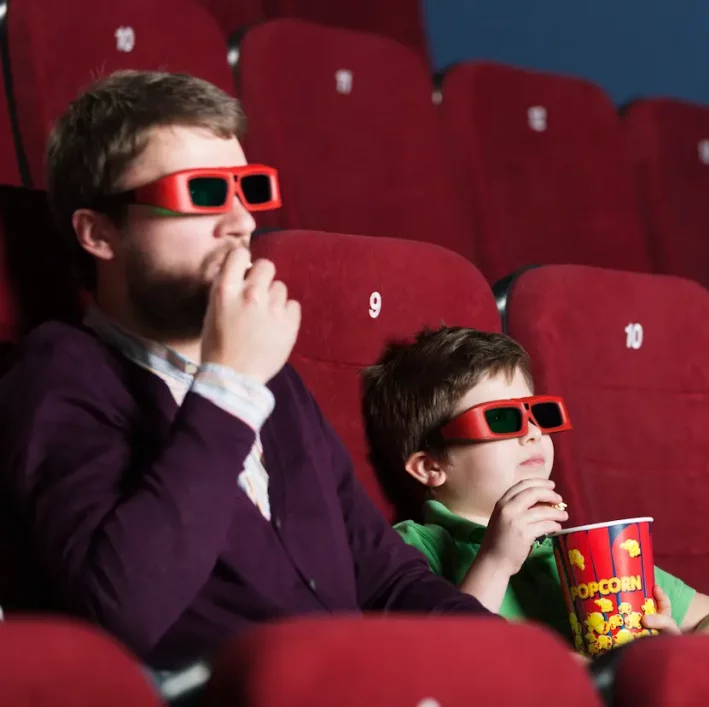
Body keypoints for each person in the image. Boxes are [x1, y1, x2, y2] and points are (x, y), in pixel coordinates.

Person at [0, 70, 489, 669]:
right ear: (99, 232)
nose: (242, 223)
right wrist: (230, 387)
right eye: (203, 194)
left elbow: (384, 574)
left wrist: (516, 654)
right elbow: (116, 614)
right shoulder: (61, 373)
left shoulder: (272, 376)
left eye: (247, 191)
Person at [361, 326, 709, 651]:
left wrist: (679, 661)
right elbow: (435, 664)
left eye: (539, 414)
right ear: (431, 466)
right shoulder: (414, 550)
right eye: (501, 420)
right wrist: (496, 561)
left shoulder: (575, 550)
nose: (533, 433)